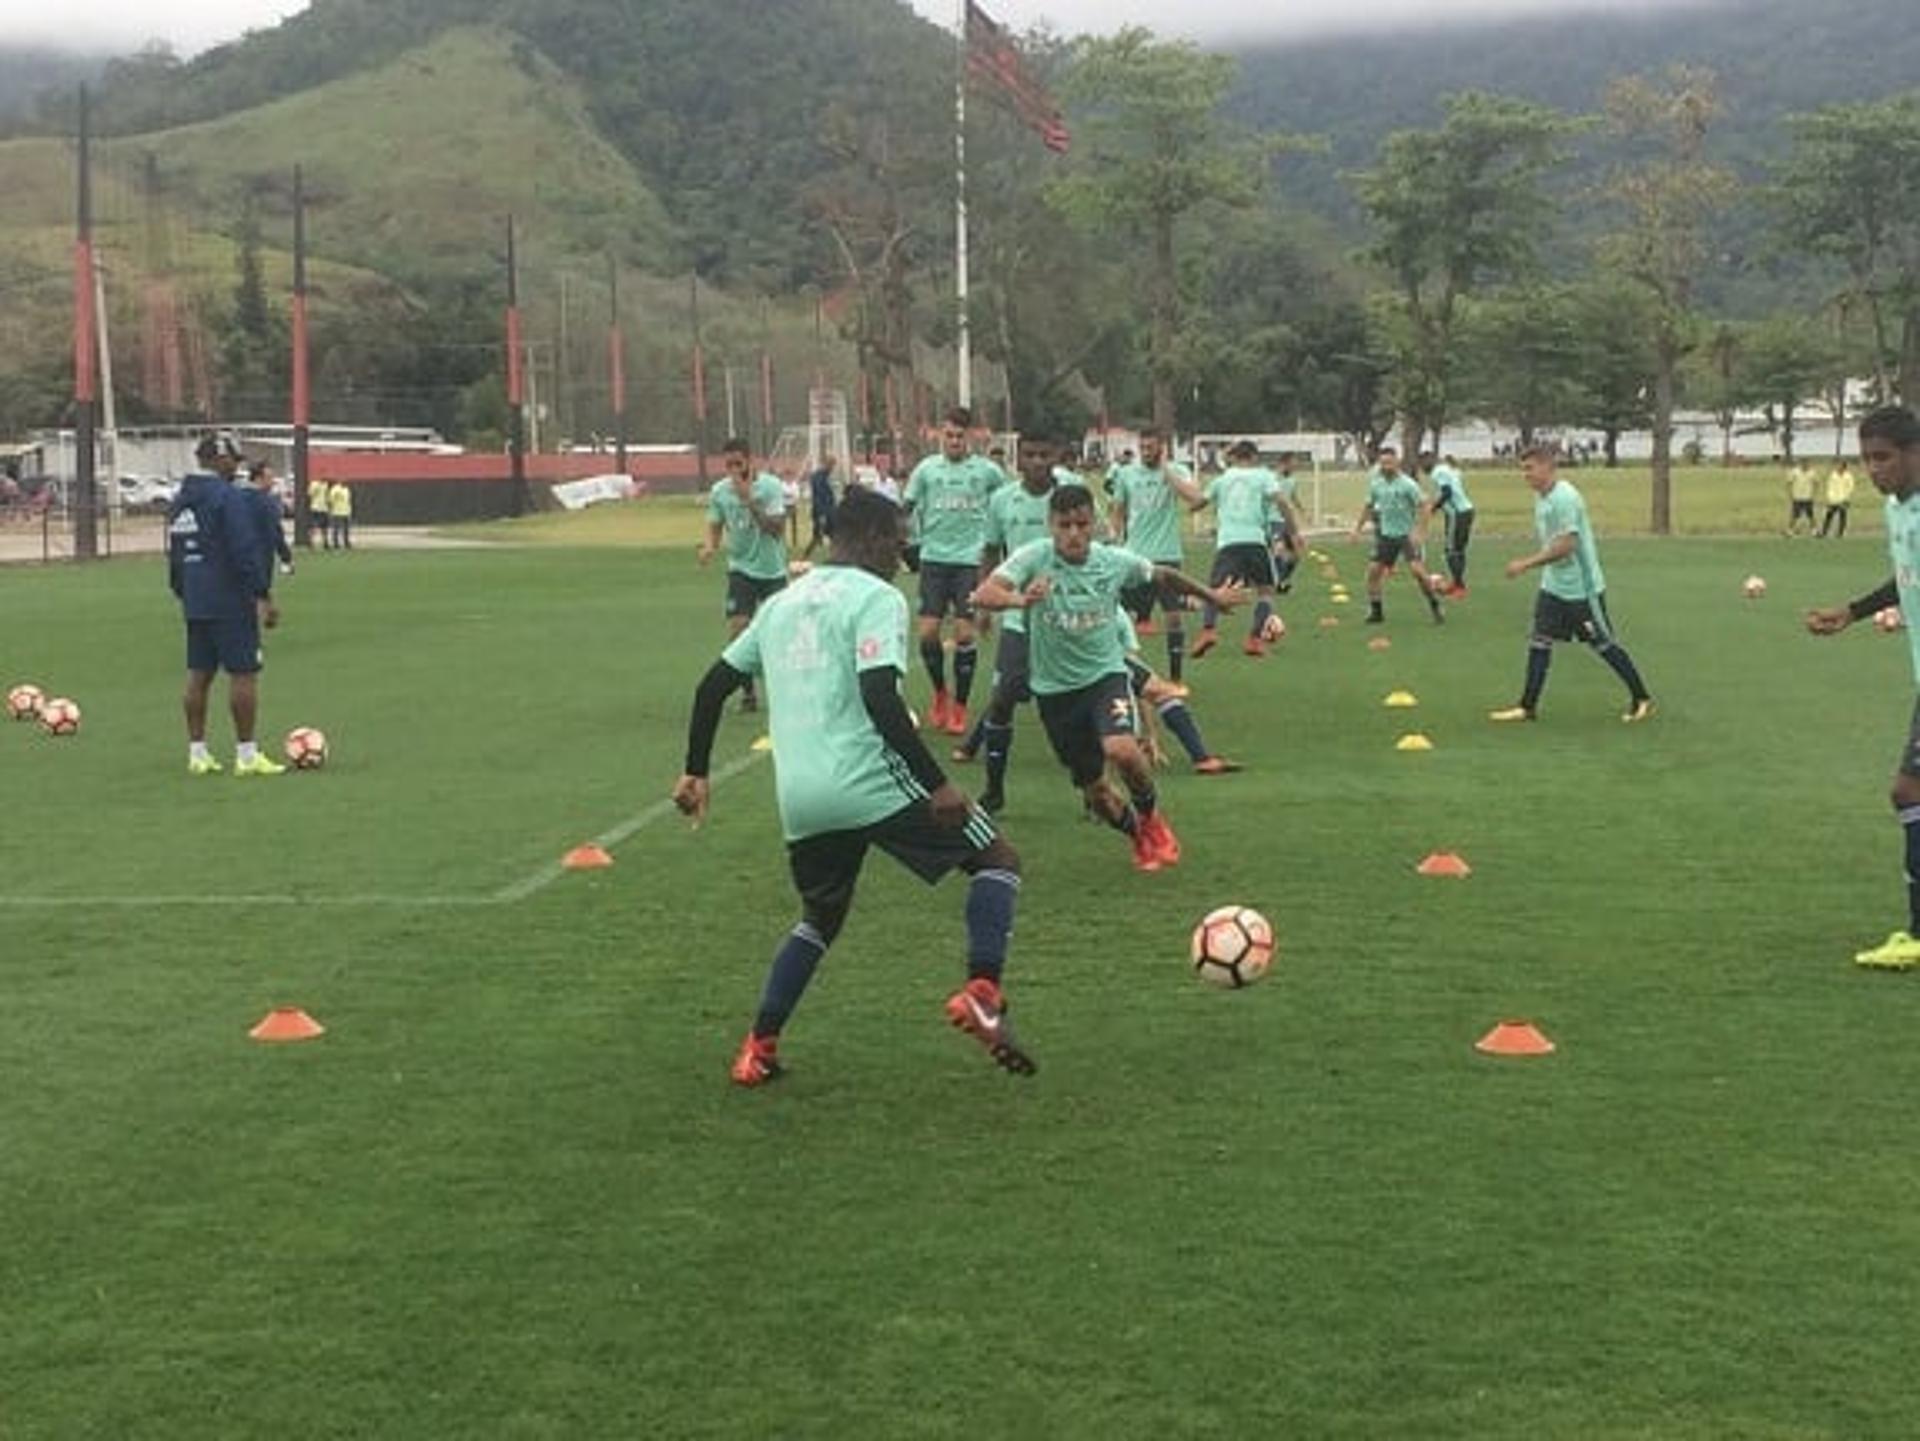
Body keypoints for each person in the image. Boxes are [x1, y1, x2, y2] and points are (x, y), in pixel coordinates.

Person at [673, 487, 1033, 1085]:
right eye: (895, 536)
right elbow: (878, 696)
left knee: (821, 916)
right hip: (870, 781)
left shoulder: (783, 604)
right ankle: (983, 992)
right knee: (998, 860)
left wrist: (696, 771)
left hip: (800, 797)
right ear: (867, 537)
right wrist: (937, 783)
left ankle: (757, 1048)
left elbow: (711, 687)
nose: (902, 549)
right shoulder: (877, 598)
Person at [972, 477, 1243, 873]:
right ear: (1051, 525)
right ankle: (1138, 835)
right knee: (1096, 791)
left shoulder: (1113, 561)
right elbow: (983, 594)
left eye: (1082, 525)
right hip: (1055, 692)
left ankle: (1152, 819)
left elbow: (1163, 575)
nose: (1074, 534)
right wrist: (1020, 598)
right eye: (1064, 526)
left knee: (1123, 750)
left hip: (1104, 677)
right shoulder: (1034, 558)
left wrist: (1212, 596)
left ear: (1093, 525)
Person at [1806, 407, 1920, 968]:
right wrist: (1851, 612)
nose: (1874, 470)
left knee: (1909, 792)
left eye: (1884, 458)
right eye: (1868, 458)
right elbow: (1905, 581)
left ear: (1915, 452)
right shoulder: (1898, 510)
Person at [1490, 444, 1654, 725]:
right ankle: (1527, 706)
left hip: (1582, 589)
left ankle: (1642, 698)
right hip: (1553, 586)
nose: (1525, 475)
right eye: (1523, 469)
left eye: (1529, 468)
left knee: (1603, 644)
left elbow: (1566, 546)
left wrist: (1525, 564)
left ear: (1547, 467)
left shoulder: (1565, 498)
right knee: (1539, 641)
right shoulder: (1542, 497)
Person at [167, 433, 284, 777]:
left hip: (195, 597)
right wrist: (262, 594)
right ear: (220, 459)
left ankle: (197, 753)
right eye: (234, 459)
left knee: (198, 675)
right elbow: (243, 548)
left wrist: (183, 591)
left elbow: (174, 555)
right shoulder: (227, 497)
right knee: (244, 673)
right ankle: (246, 755)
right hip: (229, 597)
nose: (237, 467)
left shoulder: (180, 500)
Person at [953, 437, 1058, 812]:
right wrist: (984, 604)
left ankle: (1092, 787)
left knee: (1074, 702)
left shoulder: (1070, 495)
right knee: (1001, 701)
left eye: (1044, 454)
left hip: (1066, 619)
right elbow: (991, 551)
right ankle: (994, 789)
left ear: (1056, 456)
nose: (1037, 461)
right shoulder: (1002, 500)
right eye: (1030, 454)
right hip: (1018, 616)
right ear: (1020, 459)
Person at [903, 407, 1004, 737]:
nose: (955, 441)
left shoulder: (986, 472)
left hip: (970, 562)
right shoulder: (926, 470)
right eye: (949, 435)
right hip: (934, 560)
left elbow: (1003, 502)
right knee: (928, 633)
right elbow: (906, 508)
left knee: (963, 634)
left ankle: (960, 706)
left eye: (960, 435)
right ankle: (940, 694)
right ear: (939, 436)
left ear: (970, 437)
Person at [698, 437, 789, 713]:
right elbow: (715, 523)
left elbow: (776, 529)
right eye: (728, 465)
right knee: (739, 629)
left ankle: (786, 688)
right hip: (741, 569)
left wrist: (749, 500)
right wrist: (710, 547)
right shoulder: (720, 491)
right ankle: (747, 692)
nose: (734, 471)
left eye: (738, 464)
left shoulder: (771, 487)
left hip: (772, 570)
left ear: (750, 461)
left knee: (781, 633)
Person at [1191, 440, 1303, 658]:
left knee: (1215, 590)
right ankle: (1253, 639)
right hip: (1255, 540)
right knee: (1266, 591)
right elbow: (1281, 502)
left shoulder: (1222, 480)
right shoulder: (1263, 475)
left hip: (1228, 542)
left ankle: (1208, 631)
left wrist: (1188, 501)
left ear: (1234, 457)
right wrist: (1295, 531)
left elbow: (1198, 503)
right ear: (1253, 457)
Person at [1109, 427, 1206, 678]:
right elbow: (1119, 511)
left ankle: (1175, 677)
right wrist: (1114, 540)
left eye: (1151, 447)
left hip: (1167, 553)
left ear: (1163, 448)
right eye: (1143, 448)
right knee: (1117, 613)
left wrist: (1166, 471)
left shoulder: (1177, 471)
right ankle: (1118, 671)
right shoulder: (1126, 474)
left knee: (1172, 616)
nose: (1146, 452)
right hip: (1134, 555)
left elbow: (1197, 499)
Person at [1352, 446, 1445, 626]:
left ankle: (1435, 605)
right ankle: (1376, 611)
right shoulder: (1376, 484)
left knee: (1418, 573)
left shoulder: (1407, 484)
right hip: (1386, 536)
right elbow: (1369, 507)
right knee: (1373, 574)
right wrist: (1357, 529)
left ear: (1397, 463)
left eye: (1389, 463)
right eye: (1383, 463)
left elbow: (1425, 505)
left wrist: (1420, 532)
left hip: (1405, 536)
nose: (1386, 466)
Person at [1426, 452, 1476, 595]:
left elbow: (1447, 493)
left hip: (1457, 514)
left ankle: (1458, 586)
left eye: (1423, 462)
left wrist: (1434, 508)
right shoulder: (1448, 470)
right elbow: (1455, 481)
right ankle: (1458, 583)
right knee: (1459, 551)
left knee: (1450, 552)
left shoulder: (1437, 472)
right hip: (1467, 510)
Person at [244, 461, 294, 577]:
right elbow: (276, 532)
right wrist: (285, 556)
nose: (273, 482)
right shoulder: (266, 503)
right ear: (258, 478)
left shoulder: (235, 497)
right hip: (260, 557)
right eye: (270, 478)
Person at [802, 454, 838, 560]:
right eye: (831, 465)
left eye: (833, 465)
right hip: (822, 513)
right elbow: (818, 498)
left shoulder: (826, 476)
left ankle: (835, 558)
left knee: (834, 537)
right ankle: (804, 557)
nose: (832, 468)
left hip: (830, 513)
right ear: (826, 464)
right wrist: (821, 515)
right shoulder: (817, 477)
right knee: (817, 538)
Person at [1822, 459, 1856, 539]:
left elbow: (1850, 488)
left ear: (1844, 467)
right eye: (1837, 465)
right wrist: (1829, 497)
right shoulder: (1833, 475)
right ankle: (1824, 532)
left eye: (1840, 465)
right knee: (1829, 516)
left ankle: (1840, 533)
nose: (1838, 467)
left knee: (1843, 516)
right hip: (1833, 499)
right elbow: (1829, 487)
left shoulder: (1848, 476)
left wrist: (1846, 498)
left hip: (1844, 499)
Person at [1787, 461, 1818, 536]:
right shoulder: (1795, 472)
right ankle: (1790, 531)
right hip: (1797, 497)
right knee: (1794, 515)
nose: (1805, 466)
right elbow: (1789, 483)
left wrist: (1814, 494)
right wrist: (1790, 494)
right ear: (1801, 465)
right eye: (1804, 464)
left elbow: (1817, 483)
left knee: (1811, 515)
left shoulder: (1812, 473)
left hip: (1808, 497)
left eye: (1807, 464)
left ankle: (1814, 531)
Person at [326, 477, 354, 550]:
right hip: (337, 511)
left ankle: (346, 542)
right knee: (336, 528)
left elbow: (348, 500)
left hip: (346, 511)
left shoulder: (346, 490)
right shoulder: (335, 489)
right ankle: (336, 543)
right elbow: (330, 500)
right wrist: (331, 509)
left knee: (346, 529)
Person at [307, 472, 330, 550]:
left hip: (324, 508)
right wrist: (316, 487)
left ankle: (325, 543)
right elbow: (310, 494)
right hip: (315, 507)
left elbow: (326, 495)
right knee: (313, 526)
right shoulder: (314, 484)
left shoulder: (325, 485)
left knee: (324, 527)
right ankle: (311, 543)